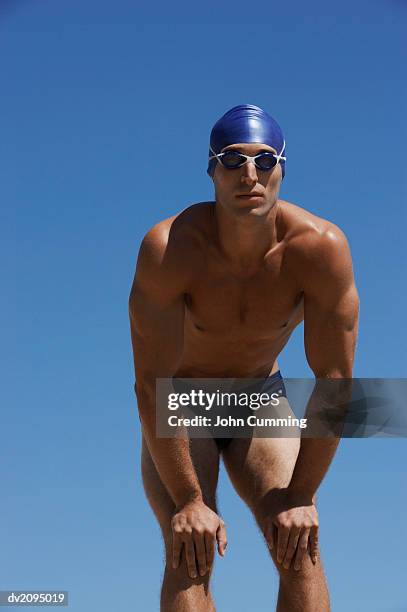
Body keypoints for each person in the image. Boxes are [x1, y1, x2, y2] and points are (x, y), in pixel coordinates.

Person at [128, 104, 359, 612]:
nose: (249, 174)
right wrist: (190, 501)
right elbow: (150, 384)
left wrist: (302, 495)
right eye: (232, 160)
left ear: (281, 168)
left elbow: (336, 381)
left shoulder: (319, 248)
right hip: (181, 401)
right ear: (211, 169)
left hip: (257, 395)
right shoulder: (169, 249)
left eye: (264, 160)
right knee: (189, 548)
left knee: (301, 546)